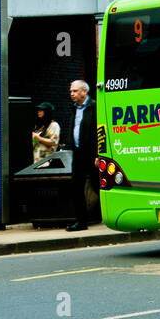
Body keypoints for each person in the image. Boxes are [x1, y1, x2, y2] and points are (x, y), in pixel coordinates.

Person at [66, 80, 98, 231]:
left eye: (75, 91)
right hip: (78, 154)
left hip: (93, 154)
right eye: (71, 91)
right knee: (76, 187)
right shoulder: (74, 108)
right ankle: (81, 221)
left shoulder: (95, 107)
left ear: (84, 92)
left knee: (99, 185)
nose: (72, 94)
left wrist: (99, 154)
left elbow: (101, 131)